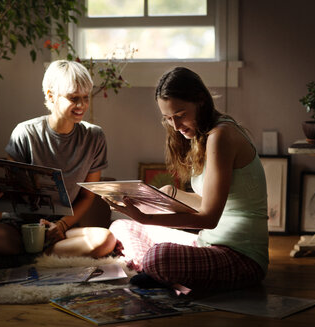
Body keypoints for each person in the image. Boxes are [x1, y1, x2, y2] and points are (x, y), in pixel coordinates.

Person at [106, 67, 268, 292]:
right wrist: (169, 195)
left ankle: (155, 270)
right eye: (168, 118)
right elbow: (207, 200)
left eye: (180, 115)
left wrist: (146, 218)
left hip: (241, 258)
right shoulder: (202, 133)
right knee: (121, 227)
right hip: (207, 243)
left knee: (159, 257)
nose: (175, 126)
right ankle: (161, 274)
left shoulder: (221, 136)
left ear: (200, 101)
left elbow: (209, 218)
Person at [0, 60, 116, 269]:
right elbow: (10, 187)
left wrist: (61, 225)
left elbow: (87, 195)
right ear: (50, 95)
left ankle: (17, 260)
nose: (82, 105)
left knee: (105, 239)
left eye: (85, 98)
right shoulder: (25, 132)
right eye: (74, 98)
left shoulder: (95, 136)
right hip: (19, 229)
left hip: (61, 231)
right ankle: (41, 259)